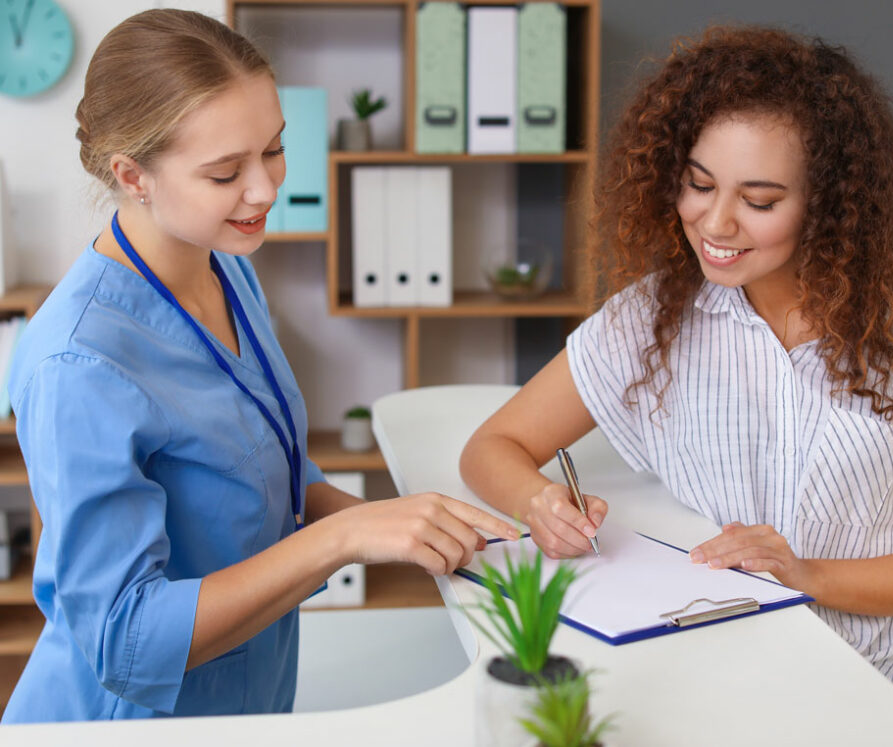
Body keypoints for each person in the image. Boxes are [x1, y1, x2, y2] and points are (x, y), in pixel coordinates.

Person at [459, 26, 893, 735]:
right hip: (717, 695)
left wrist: (804, 573)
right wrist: (541, 500)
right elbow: (493, 445)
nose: (716, 221)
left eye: (760, 201)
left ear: (827, 206)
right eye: (699, 183)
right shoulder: (651, 319)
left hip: (885, 699)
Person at [2, 9, 518, 723]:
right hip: (125, 726)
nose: (265, 188)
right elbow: (125, 640)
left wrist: (400, 526)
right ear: (132, 175)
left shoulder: (226, 270)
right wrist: (341, 539)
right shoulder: (79, 361)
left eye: (273, 149)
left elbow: (269, 470)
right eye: (225, 171)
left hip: (249, 698)